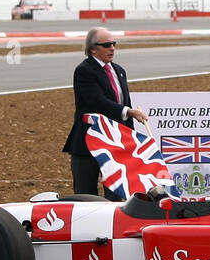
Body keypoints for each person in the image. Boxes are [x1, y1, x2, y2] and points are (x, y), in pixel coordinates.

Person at [62, 27, 148, 199]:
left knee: (115, 196)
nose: (112, 48)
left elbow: (125, 102)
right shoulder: (84, 71)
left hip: (114, 144)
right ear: (93, 49)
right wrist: (128, 112)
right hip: (88, 143)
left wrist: (130, 138)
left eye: (113, 44)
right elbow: (97, 102)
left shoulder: (119, 71)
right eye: (107, 45)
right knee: (85, 195)